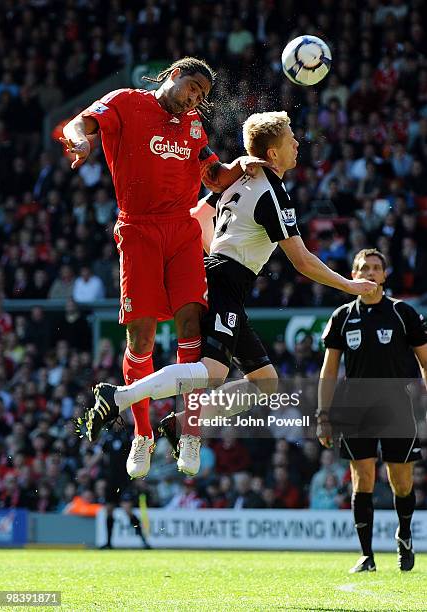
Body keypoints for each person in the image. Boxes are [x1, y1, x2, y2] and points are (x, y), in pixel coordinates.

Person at [86, 110, 376, 476]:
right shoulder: (271, 191)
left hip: (221, 280)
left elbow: (196, 218)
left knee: (265, 382)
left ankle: (177, 423)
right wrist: (348, 285)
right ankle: (119, 396)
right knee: (211, 373)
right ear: (272, 153)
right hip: (225, 282)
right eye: (290, 138)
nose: (298, 143)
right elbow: (301, 261)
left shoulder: (235, 183)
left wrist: (212, 257)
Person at [62, 57, 269, 479]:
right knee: (141, 336)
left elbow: (213, 175)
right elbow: (78, 124)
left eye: (202, 95)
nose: (195, 98)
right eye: (192, 86)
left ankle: (189, 430)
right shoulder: (126, 102)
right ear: (173, 75)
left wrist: (239, 168)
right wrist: (80, 142)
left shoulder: (193, 126)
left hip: (182, 231)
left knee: (191, 325)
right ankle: (143, 434)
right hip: (138, 230)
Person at [317, 248, 427, 573]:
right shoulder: (341, 316)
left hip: (396, 405)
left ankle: (404, 534)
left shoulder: (402, 313)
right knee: (362, 479)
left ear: (385, 275)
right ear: (353, 275)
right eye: (363, 267)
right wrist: (323, 416)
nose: (370, 272)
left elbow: (425, 363)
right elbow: (328, 371)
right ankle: (366, 556)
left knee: (401, 482)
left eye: (376, 267)